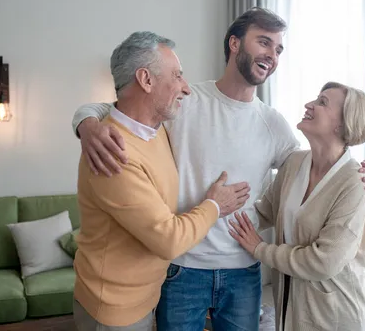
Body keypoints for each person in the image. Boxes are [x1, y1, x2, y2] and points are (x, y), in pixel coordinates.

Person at [71, 8, 365, 331]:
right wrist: (87, 122)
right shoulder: (186, 102)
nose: (272, 55)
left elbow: (319, 166)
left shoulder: (274, 126)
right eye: (263, 42)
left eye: (278, 49)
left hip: (243, 272)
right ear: (234, 44)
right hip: (182, 269)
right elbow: (125, 110)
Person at [72, 31, 251, 331]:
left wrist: (85, 120)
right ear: (145, 79)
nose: (186, 87)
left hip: (143, 301)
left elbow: (108, 107)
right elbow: (168, 240)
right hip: (113, 313)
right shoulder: (114, 154)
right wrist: (215, 205)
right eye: (177, 75)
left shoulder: (156, 129)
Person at [229, 82, 365, 331]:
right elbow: (265, 211)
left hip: (336, 314)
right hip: (291, 309)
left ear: (343, 123)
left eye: (322, 102)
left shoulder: (355, 181)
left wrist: (260, 249)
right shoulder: (294, 163)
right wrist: (215, 210)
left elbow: (324, 262)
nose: (310, 105)